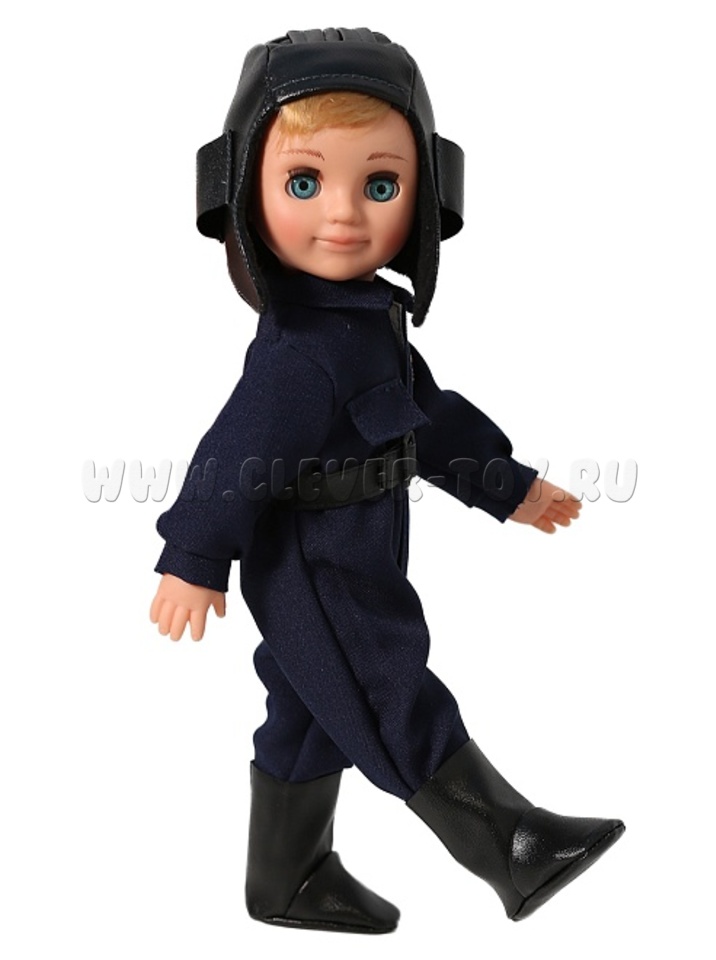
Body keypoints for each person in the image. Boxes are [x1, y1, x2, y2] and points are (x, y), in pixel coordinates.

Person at [150, 28, 624, 934]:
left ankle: (286, 881)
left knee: (308, 708)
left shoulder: (368, 320)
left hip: (358, 543)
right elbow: (235, 451)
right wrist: (193, 557)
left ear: (428, 197)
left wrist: (508, 487)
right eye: (303, 183)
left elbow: (424, 417)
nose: (343, 216)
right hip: (317, 565)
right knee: (385, 686)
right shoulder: (300, 354)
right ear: (241, 192)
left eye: (379, 186)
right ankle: (512, 847)